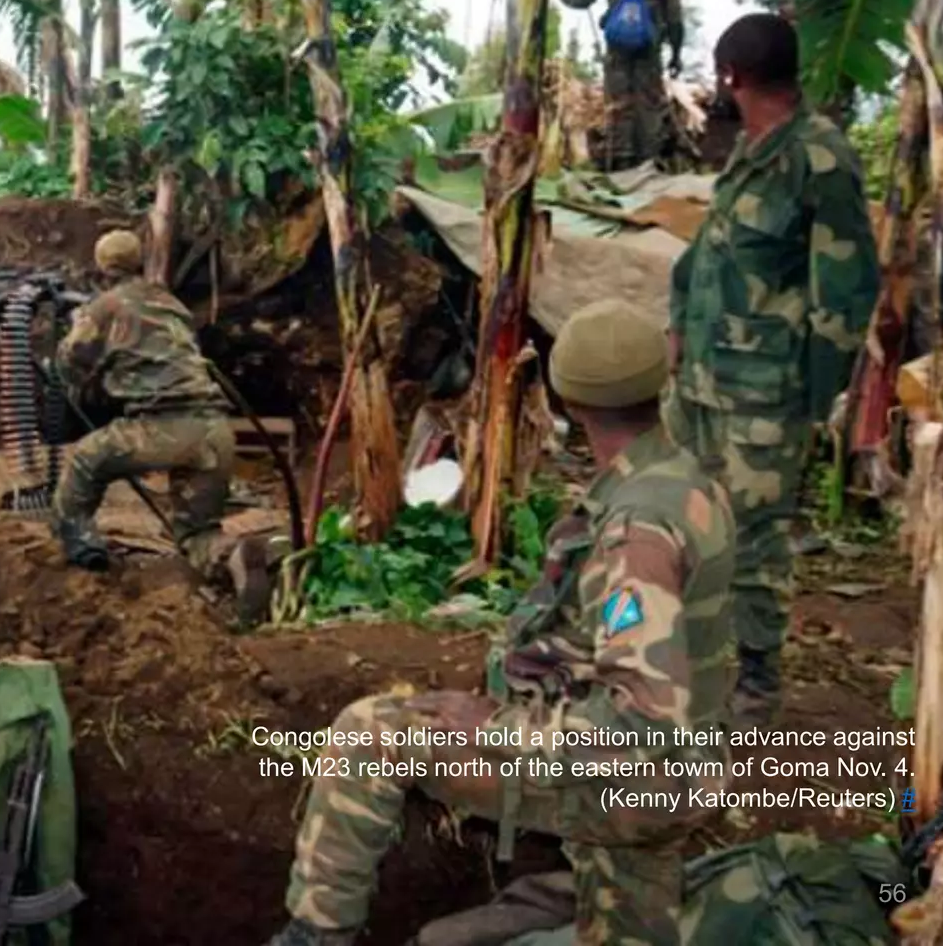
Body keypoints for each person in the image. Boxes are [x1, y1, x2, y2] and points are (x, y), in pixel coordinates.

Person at [267, 299, 735, 946]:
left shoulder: (636, 535)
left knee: (369, 734)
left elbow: (643, 724)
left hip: (635, 784)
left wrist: (498, 725)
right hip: (685, 770)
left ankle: (315, 936)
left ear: (567, 402)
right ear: (660, 388)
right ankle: (608, 904)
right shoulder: (684, 481)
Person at [667, 12, 880, 727]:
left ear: (733, 76)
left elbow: (844, 293)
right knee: (687, 521)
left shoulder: (817, 159)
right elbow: (709, 254)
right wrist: (676, 329)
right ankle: (693, 659)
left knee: (754, 540)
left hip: (766, 394)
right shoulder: (751, 147)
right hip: (703, 382)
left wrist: (813, 404)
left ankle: (756, 682)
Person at [49, 230, 257, 605]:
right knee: (197, 534)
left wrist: (76, 325)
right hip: (214, 431)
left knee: (84, 460)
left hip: (162, 427)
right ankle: (234, 557)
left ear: (101, 266)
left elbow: (70, 365)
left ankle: (82, 551)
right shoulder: (171, 304)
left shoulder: (106, 307)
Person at [555, 0, 685, 170]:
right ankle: (649, 164)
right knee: (648, 105)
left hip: (617, 45)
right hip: (649, 45)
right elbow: (674, 18)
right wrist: (676, 54)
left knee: (617, 104)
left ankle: (621, 163)